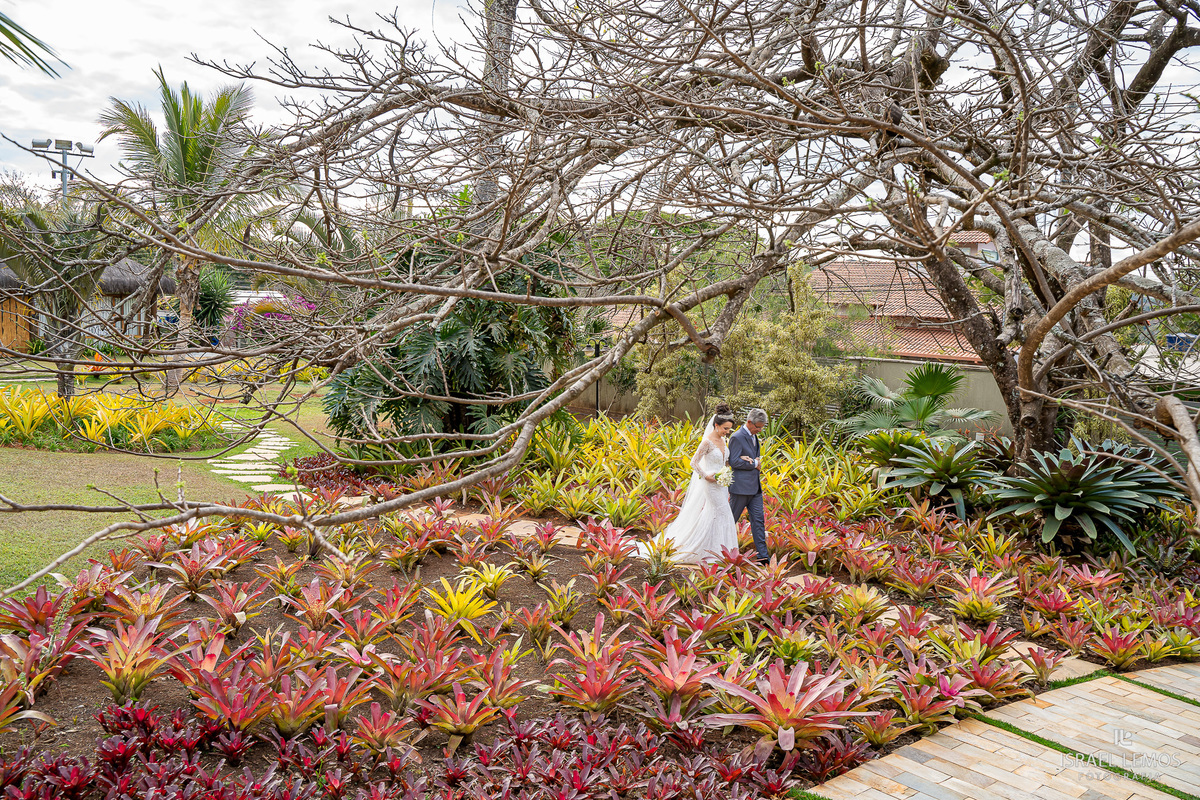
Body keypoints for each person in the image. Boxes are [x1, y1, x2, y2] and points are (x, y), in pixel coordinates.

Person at [645, 403, 739, 563]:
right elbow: (694, 463)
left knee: (716, 515)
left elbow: (725, 462)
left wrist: (730, 468)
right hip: (711, 485)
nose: (727, 432)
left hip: (722, 485)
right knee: (723, 513)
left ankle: (715, 549)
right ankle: (716, 552)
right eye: (725, 428)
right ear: (716, 426)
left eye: (729, 429)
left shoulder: (725, 440)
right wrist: (706, 476)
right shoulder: (707, 442)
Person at [728, 408, 769, 562]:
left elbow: (752, 458)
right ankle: (722, 552)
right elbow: (734, 462)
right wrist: (754, 464)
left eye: (761, 427)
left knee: (758, 521)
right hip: (740, 488)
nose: (759, 430)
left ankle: (763, 557)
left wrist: (755, 461)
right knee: (730, 520)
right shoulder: (737, 437)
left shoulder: (753, 436)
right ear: (749, 422)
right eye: (757, 427)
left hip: (755, 489)